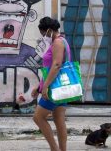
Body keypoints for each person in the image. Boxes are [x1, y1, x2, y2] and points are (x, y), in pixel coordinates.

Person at [31, 17, 67, 151]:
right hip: (61, 86)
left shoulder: (57, 42)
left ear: (50, 31)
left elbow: (56, 65)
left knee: (38, 118)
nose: (43, 37)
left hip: (54, 87)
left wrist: (45, 87)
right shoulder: (63, 41)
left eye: (44, 34)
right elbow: (49, 68)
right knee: (59, 121)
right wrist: (39, 86)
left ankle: (54, 149)